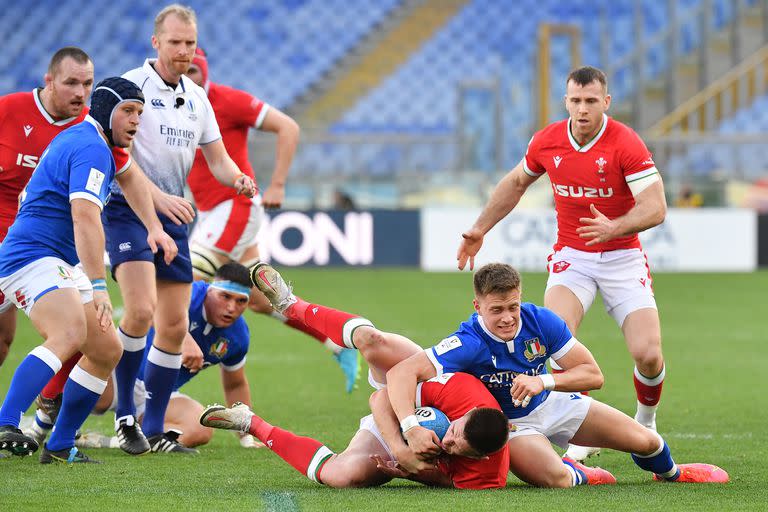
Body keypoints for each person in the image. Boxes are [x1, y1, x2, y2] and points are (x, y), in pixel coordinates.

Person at [457, 66, 668, 461]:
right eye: (575, 101)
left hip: (623, 257)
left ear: (606, 102)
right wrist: (479, 229)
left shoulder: (625, 143)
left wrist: (615, 227)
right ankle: (575, 432)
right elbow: (516, 182)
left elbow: (656, 207)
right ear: (566, 101)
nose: (583, 109)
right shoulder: (549, 141)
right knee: (554, 342)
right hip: (574, 256)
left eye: (591, 101)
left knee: (648, 354)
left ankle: (646, 418)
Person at [384, 263, 729, 487]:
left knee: (647, 441)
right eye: (496, 310)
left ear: (521, 299)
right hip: (508, 427)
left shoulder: (541, 322)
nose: (507, 318)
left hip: (551, 403)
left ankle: (672, 473)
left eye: (513, 307)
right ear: (478, 307)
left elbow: (593, 374)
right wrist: (411, 427)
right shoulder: (467, 342)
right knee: (556, 479)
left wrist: (544, 381)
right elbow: (402, 372)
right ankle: (580, 472)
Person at [200, 263, 511, 489]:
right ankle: (291, 305)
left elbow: (451, 479)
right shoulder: (462, 393)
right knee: (372, 343)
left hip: (405, 425)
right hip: (405, 387)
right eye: (454, 432)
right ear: (466, 414)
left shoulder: (488, 474)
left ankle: (249, 422)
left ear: (482, 458)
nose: (448, 441)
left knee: (343, 476)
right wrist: (405, 438)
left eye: (456, 448)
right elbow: (382, 396)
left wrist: (413, 472)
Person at [104, 4, 256, 456]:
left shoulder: (197, 97)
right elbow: (117, 154)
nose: (183, 51)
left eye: (190, 43)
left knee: (171, 326)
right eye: (175, 42)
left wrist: (238, 178)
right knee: (138, 312)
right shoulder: (130, 87)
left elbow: (218, 160)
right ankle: (123, 418)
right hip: (127, 209)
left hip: (176, 218)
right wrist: (158, 197)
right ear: (156, 43)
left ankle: (152, 428)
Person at [0, 77, 177, 463]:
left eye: (140, 113)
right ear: (104, 111)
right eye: (127, 111)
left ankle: (60, 445)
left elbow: (131, 179)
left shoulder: (96, 142)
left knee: (106, 348)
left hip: (55, 258)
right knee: (68, 332)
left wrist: (153, 229)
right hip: (31, 256)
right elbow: (85, 218)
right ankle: (7, 421)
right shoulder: (91, 148)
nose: (135, 121)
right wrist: (98, 285)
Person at [184, 48, 359, 393]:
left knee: (179, 285)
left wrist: (278, 182)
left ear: (205, 72)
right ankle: (336, 340)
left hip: (235, 206)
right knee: (263, 300)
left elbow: (288, 126)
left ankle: (141, 393)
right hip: (210, 212)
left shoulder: (226, 100)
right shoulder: (170, 105)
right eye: (184, 70)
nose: (188, 76)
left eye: (194, 70)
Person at [0, 47, 132, 366]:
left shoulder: (91, 128)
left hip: (45, 251)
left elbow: (129, 171)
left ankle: (48, 406)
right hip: (15, 245)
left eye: (87, 84)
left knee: (77, 341)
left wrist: (157, 219)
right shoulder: (9, 110)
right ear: (49, 81)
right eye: (71, 83)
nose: (81, 93)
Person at [52, 263, 258, 451]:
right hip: (117, 373)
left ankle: (111, 442)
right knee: (91, 382)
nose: (232, 308)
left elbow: (235, 385)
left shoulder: (238, 337)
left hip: (157, 397)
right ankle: (49, 412)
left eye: (241, 301)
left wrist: (246, 437)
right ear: (209, 289)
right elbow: (147, 308)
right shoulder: (190, 295)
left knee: (201, 429)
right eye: (225, 297)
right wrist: (182, 338)